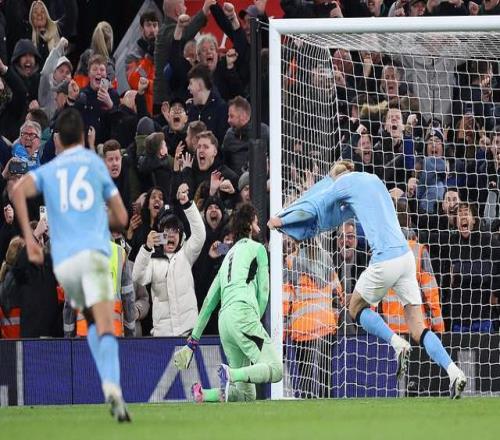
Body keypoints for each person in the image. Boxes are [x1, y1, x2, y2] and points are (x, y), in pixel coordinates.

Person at [268, 159, 467, 399]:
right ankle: (454, 371)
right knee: (418, 328)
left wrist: (283, 221)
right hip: (406, 258)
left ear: (337, 174)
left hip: (385, 259)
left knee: (355, 308)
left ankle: (396, 343)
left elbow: (316, 205)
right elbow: (338, 216)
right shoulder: (374, 180)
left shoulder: (342, 183)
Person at [10, 108, 130, 421]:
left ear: (58, 140)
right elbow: (121, 217)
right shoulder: (95, 165)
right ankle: (112, 386)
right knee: (104, 324)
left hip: (65, 260)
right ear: (82, 136)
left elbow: (17, 191)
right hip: (92, 253)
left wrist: (30, 239)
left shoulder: (51, 169)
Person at [174, 203, 283, 402]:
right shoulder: (258, 249)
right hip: (243, 315)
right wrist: (253, 320)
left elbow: (209, 302)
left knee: (246, 395)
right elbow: (264, 292)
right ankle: (230, 374)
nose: (259, 228)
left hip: (224, 322)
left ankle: (204, 394)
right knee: (276, 370)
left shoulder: (227, 258)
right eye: (257, 223)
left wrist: (192, 342)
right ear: (249, 225)